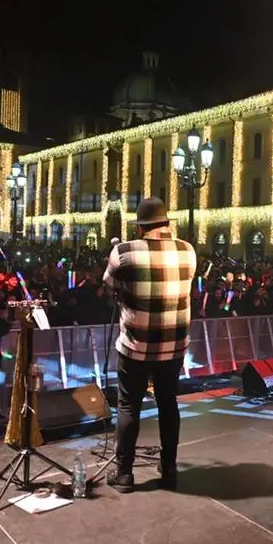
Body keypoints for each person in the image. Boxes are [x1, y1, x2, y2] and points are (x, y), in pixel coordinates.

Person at [102, 198, 196, 493]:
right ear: (167, 223)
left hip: (135, 346)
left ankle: (125, 474)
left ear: (141, 227)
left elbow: (109, 282)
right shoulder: (187, 251)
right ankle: (169, 466)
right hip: (173, 346)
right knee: (168, 403)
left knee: (129, 405)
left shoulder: (124, 251)